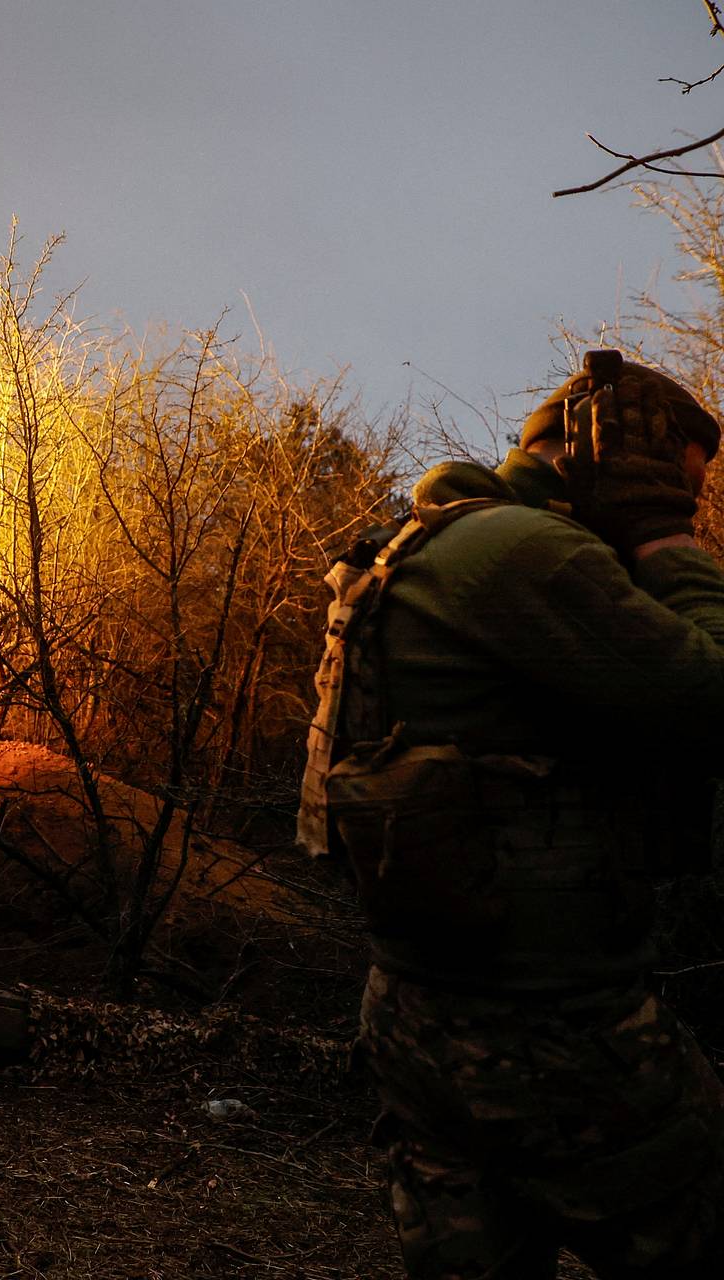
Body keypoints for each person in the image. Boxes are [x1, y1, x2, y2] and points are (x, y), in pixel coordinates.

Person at [300, 351, 724, 1276]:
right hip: (552, 1032)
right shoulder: (529, 554)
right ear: (616, 462)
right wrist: (667, 542)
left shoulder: (426, 545)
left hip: (420, 1009)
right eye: (681, 483)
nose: (689, 504)